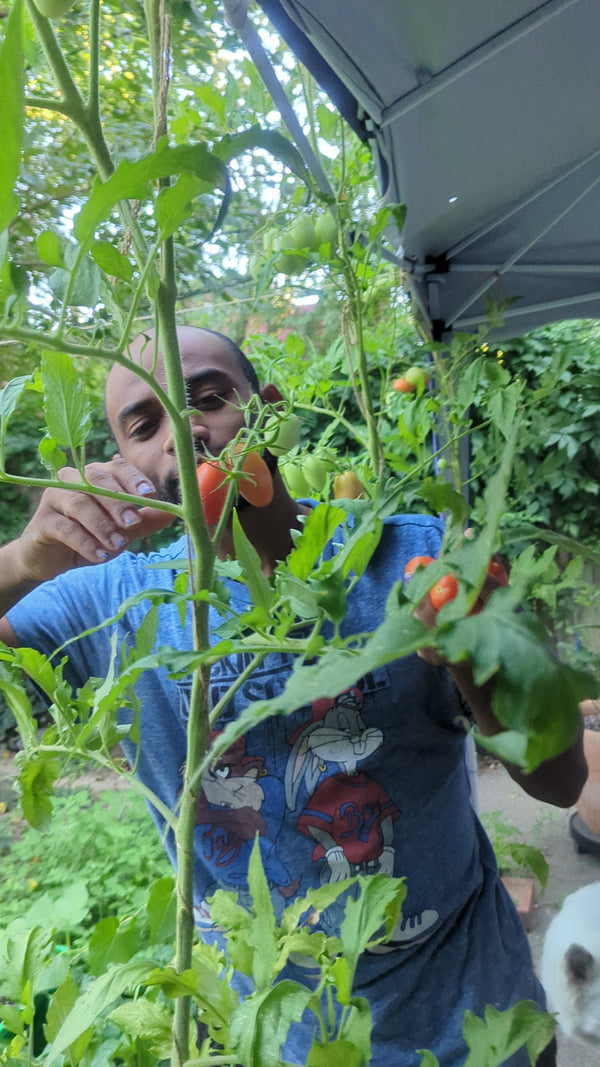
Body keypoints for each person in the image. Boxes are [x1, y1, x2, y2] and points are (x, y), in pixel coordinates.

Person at [0, 325, 585, 1066]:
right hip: (284, 1038)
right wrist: (24, 559)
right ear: (126, 467)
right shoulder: (112, 603)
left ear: (269, 410)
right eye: (146, 425)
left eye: (209, 398)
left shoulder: (411, 557)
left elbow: (562, 780)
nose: (189, 435)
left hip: (476, 1019)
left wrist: (474, 652)